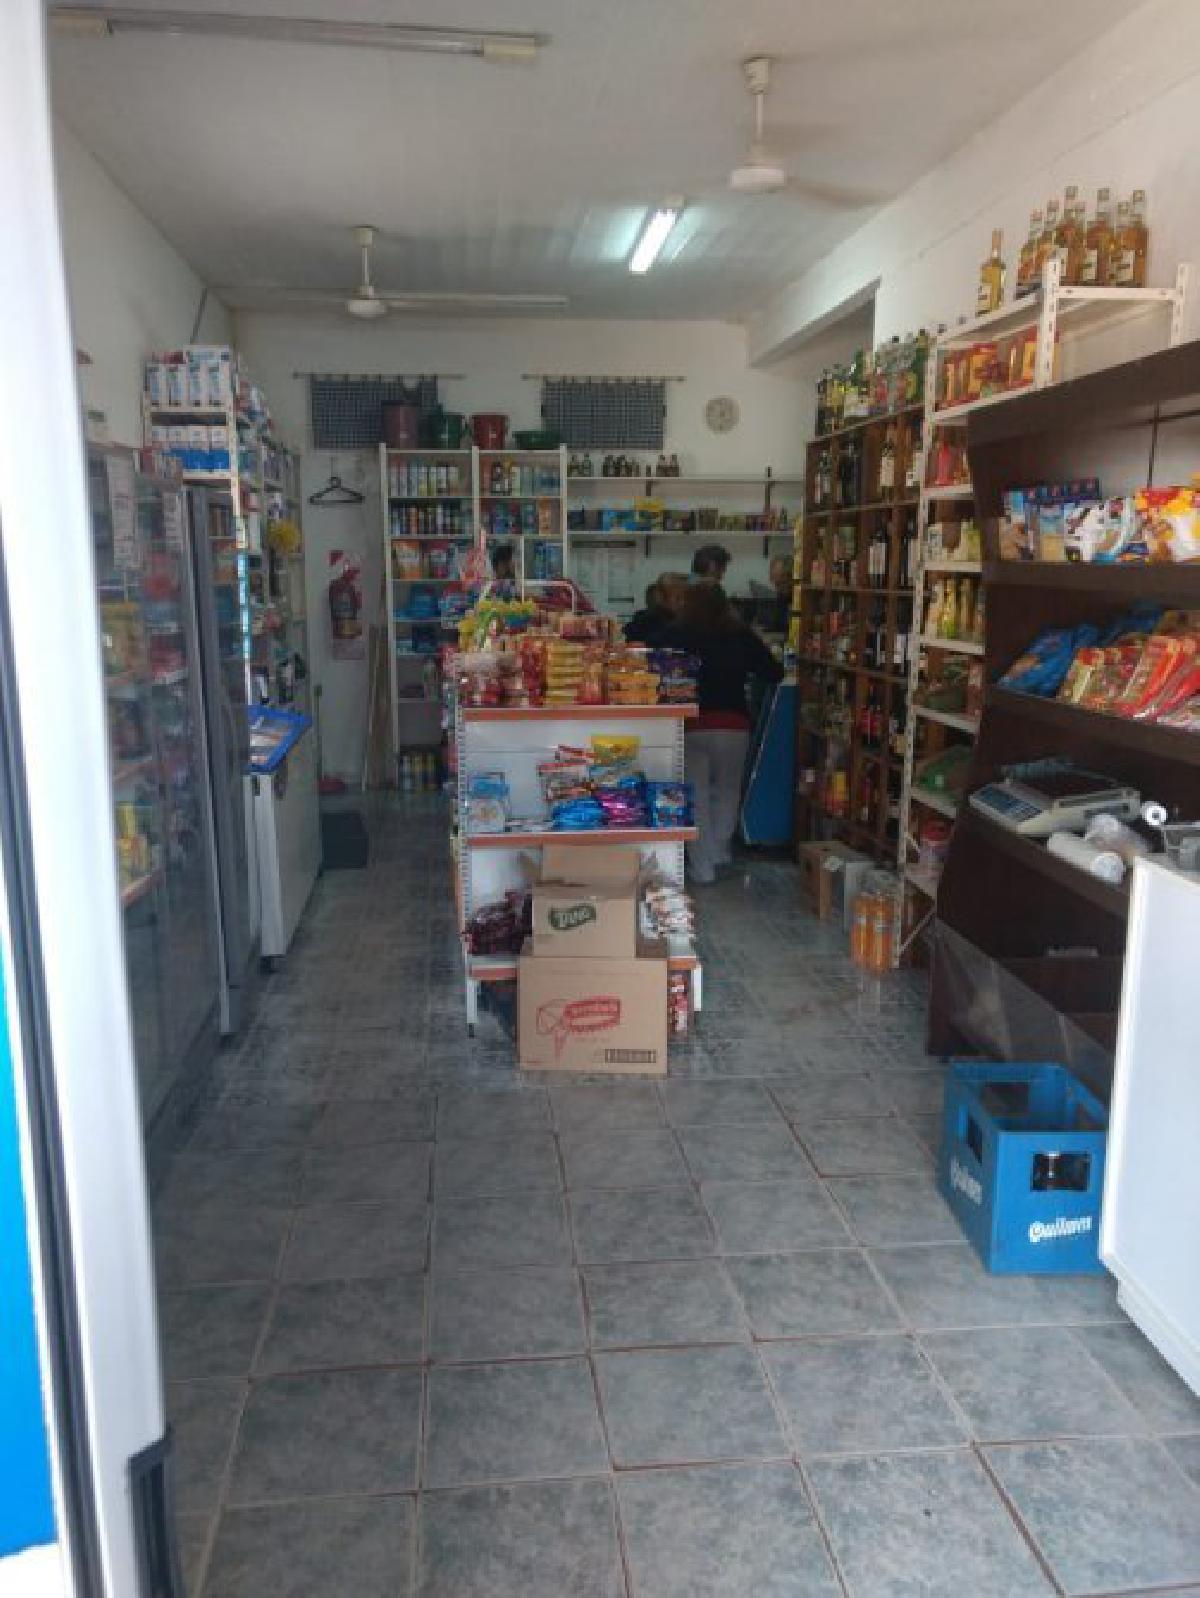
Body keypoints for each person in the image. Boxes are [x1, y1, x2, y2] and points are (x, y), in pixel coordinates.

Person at [666, 582, 784, 884]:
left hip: (691, 724)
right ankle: (720, 854)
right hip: (733, 723)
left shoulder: (677, 633)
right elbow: (774, 672)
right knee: (728, 791)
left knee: (696, 796)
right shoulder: (740, 634)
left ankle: (702, 868)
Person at [625, 572, 688, 645]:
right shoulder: (644, 622)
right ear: (660, 597)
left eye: (687, 597)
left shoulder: (689, 623)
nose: (683, 602)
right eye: (678, 598)